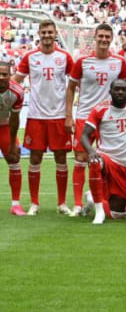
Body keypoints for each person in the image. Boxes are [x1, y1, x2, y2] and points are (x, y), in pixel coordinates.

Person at [65, 23, 126, 216]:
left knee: (112, 159)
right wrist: (69, 115)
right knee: (81, 158)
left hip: (110, 118)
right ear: (95, 38)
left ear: (111, 39)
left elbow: (125, 89)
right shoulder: (82, 61)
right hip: (85, 115)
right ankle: (77, 205)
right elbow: (71, 88)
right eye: (100, 36)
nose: (103, 40)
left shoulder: (119, 62)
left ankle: (113, 199)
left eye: (107, 37)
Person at [12, 19, 74, 216]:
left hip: (58, 115)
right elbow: (16, 80)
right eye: (44, 32)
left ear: (55, 34)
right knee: (35, 157)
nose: (47, 35)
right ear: (39, 34)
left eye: (50, 32)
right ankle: (34, 203)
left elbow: (74, 84)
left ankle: (62, 203)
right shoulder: (30, 57)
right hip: (36, 115)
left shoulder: (64, 57)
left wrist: (69, 114)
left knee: (61, 157)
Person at [81, 79, 126, 224]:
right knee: (96, 162)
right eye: (116, 89)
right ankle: (98, 212)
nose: (120, 92)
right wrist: (91, 151)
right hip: (106, 159)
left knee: (117, 215)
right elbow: (84, 135)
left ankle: (92, 197)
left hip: (125, 165)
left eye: (123, 89)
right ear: (110, 92)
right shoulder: (100, 109)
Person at [0, 61, 24, 215]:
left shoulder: (17, 92)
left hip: (5, 126)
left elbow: (15, 119)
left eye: (4, 74)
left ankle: (16, 205)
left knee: (14, 159)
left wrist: (13, 142)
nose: (1, 77)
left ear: (10, 75)